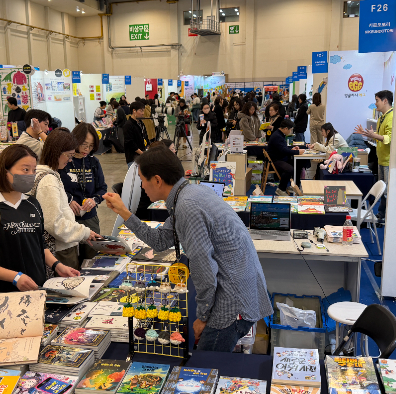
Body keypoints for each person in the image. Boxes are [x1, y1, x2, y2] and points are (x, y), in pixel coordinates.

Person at [102, 146, 273, 352]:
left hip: (231, 302)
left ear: (157, 180)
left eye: (142, 179)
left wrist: (203, 316)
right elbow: (160, 240)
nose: (141, 185)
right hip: (237, 289)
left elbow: (204, 268)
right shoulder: (188, 193)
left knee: (206, 363)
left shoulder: (187, 205)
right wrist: (124, 212)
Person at [0, 144, 80, 294]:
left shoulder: (33, 204)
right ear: (5, 171)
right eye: (25, 170)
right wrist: (15, 277)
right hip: (4, 295)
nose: (31, 175)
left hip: (36, 290)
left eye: (33, 170)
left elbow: (39, 244)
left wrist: (57, 265)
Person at [32, 128, 100, 271]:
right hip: (61, 249)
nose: (70, 160)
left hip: (65, 243)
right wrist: (84, 232)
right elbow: (54, 224)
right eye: (69, 155)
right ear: (57, 152)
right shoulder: (49, 181)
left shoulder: (51, 175)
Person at [61, 123, 108, 261]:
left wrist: (94, 200)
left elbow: (102, 188)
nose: (87, 149)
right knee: (70, 260)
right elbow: (55, 188)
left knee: (91, 259)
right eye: (84, 144)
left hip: (89, 218)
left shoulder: (93, 162)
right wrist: (68, 200)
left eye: (91, 146)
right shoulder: (64, 161)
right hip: (68, 219)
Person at [354, 90, 393, 221]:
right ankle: (381, 215)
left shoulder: (392, 117)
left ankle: (385, 218)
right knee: (382, 192)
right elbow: (379, 136)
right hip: (381, 159)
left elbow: (389, 138)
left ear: (385, 101)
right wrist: (366, 134)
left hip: (388, 160)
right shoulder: (382, 117)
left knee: (386, 192)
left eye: (377, 100)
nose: (375, 103)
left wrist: (373, 135)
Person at [267, 119, 305, 196]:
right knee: (289, 169)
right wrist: (297, 152)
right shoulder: (277, 136)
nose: (291, 132)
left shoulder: (279, 134)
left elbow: (282, 149)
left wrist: (292, 149)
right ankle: (281, 189)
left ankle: (295, 185)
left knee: (298, 163)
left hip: (280, 157)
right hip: (275, 160)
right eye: (290, 130)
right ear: (286, 129)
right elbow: (284, 151)